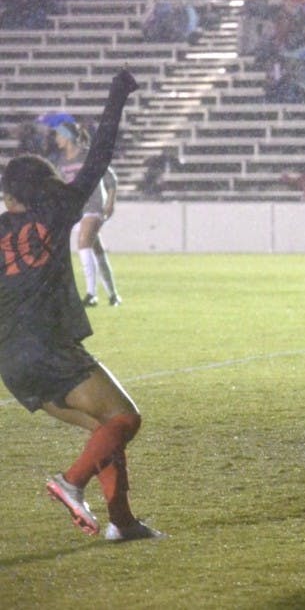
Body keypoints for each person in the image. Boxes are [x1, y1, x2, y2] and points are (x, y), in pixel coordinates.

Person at [0, 70, 163, 542]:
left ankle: (123, 523)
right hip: (49, 348)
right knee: (124, 419)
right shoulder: (57, 212)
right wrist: (117, 96)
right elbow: (100, 156)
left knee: (103, 429)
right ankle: (71, 482)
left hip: (12, 362)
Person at [53, 121, 123, 307]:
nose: (56, 139)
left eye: (59, 135)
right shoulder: (61, 161)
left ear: (67, 137)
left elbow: (110, 178)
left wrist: (110, 201)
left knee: (83, 244)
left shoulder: (87, 156)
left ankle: (91, 294)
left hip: (93, 207)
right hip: (77, 210)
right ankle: (113, 294)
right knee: (96, 249)